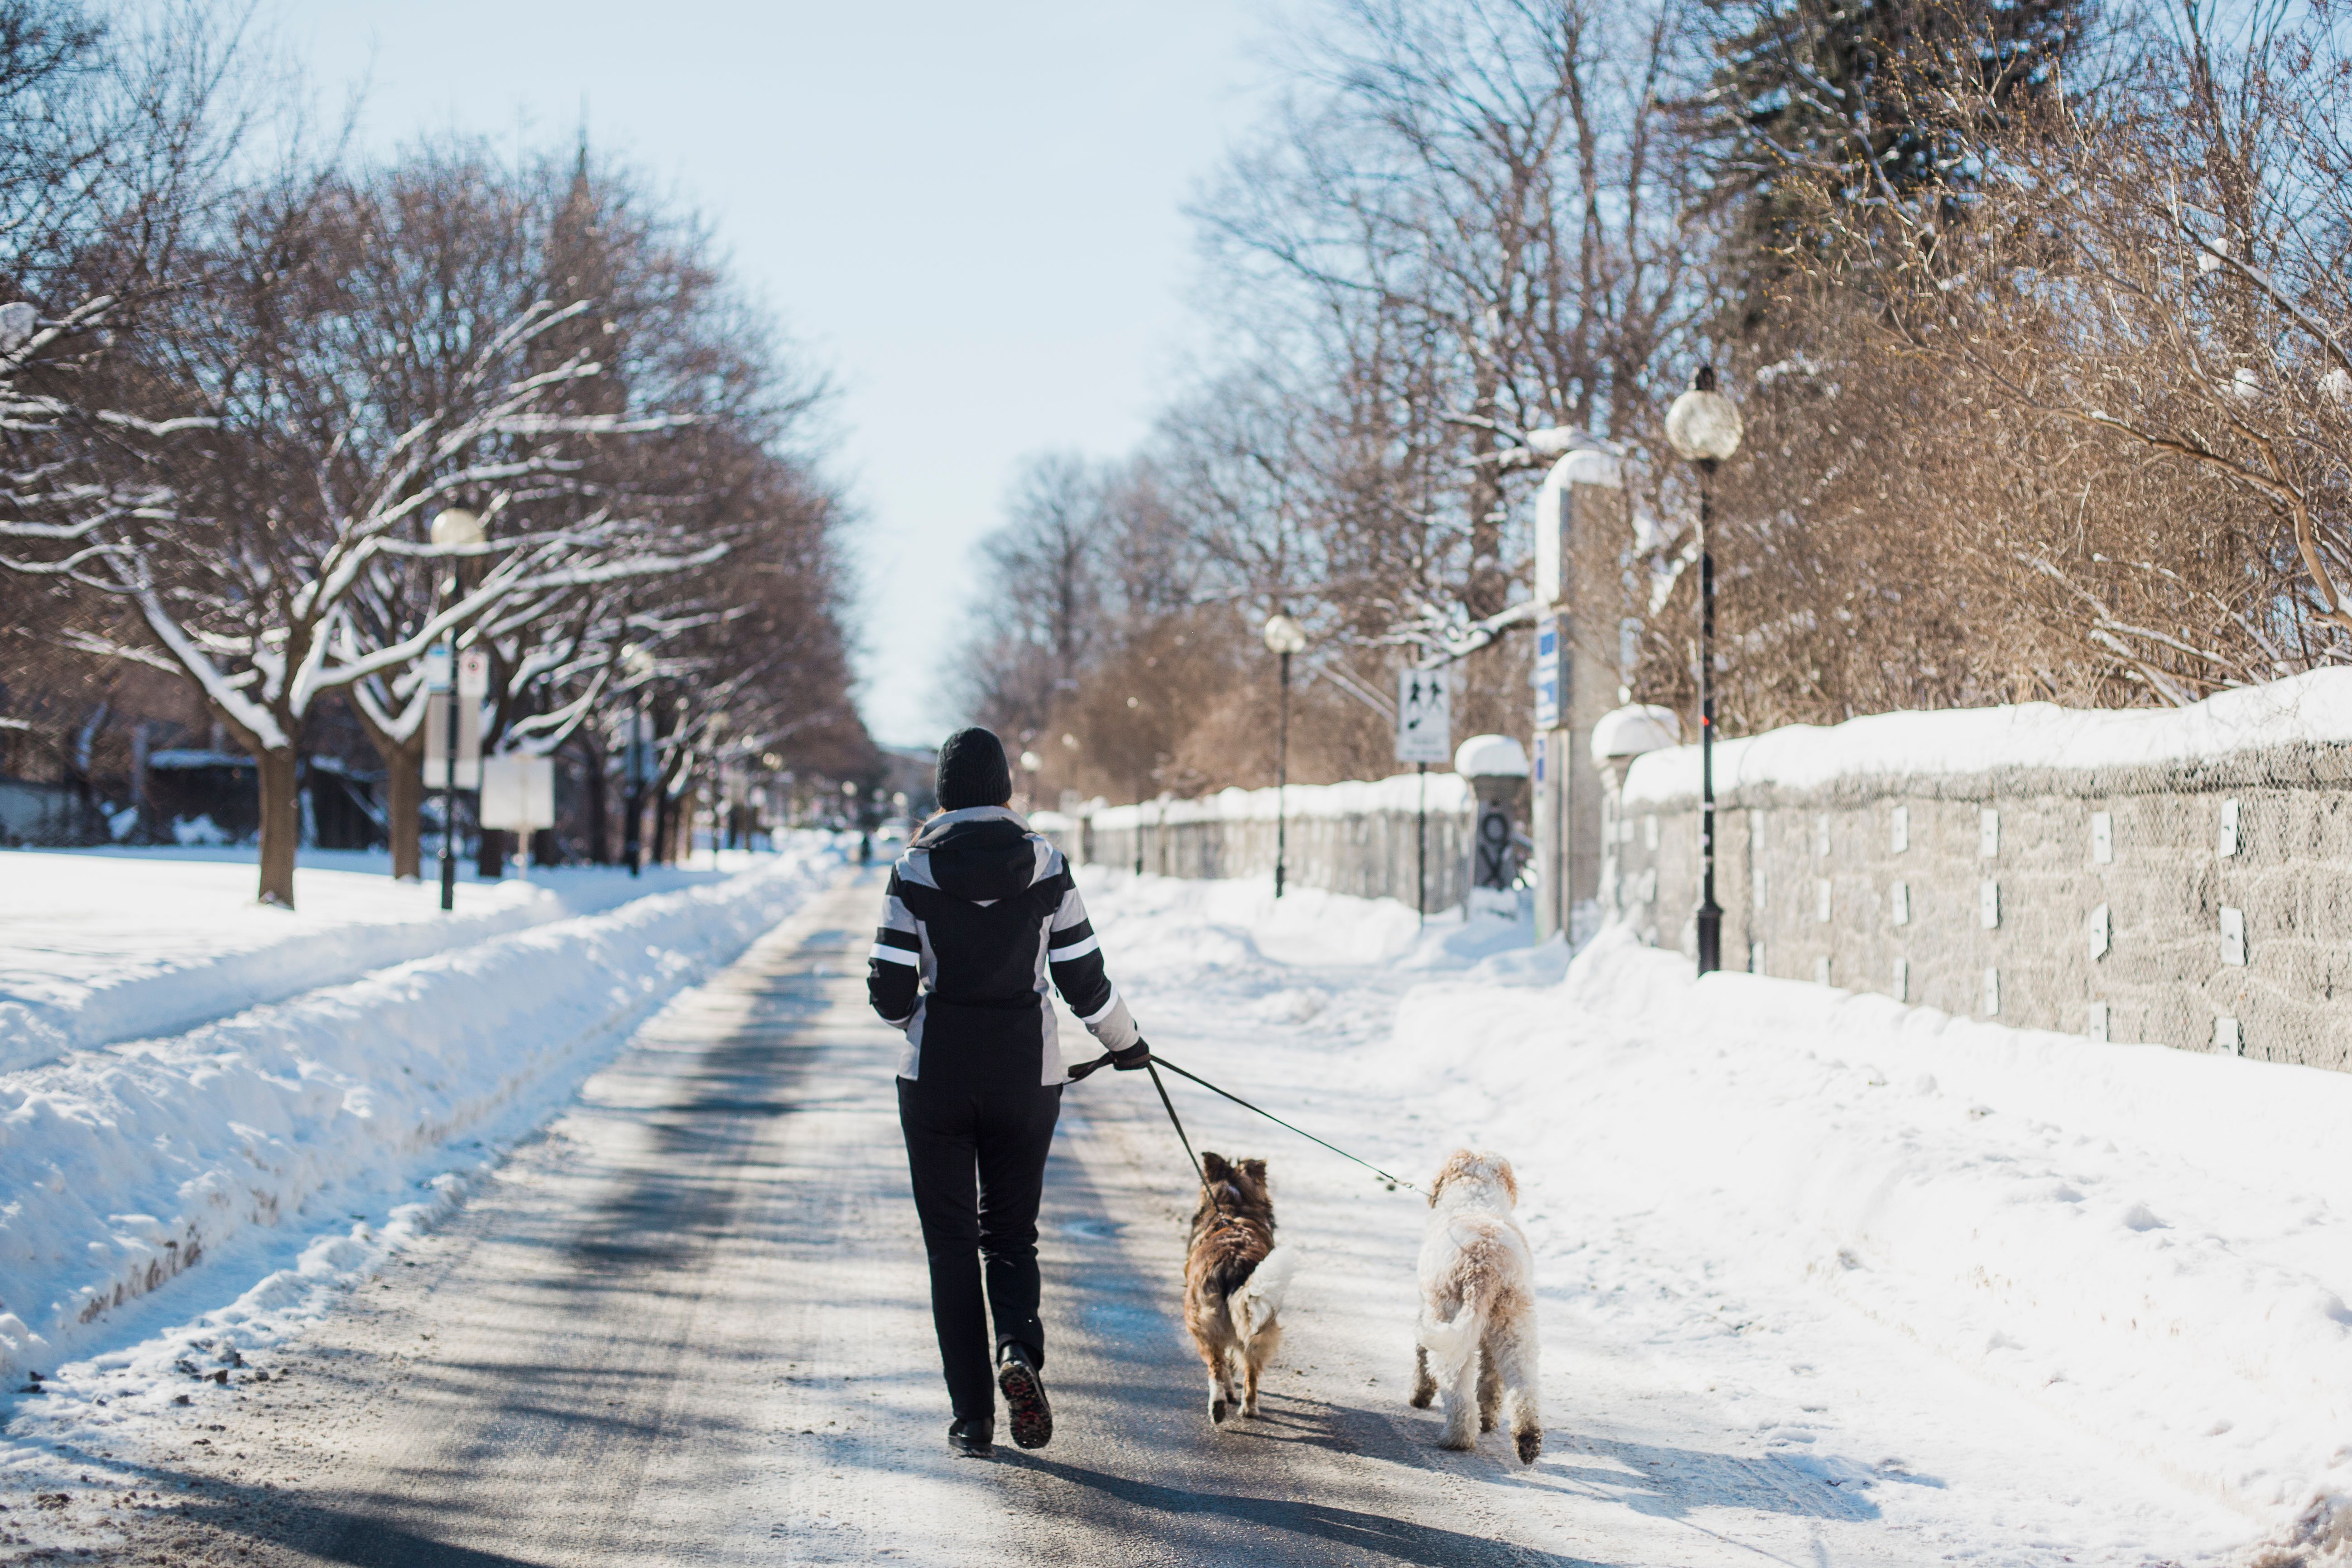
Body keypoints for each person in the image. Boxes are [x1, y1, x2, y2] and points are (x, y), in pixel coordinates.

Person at [866, 726, 1149, 1458]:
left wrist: (917, 1018)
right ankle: (1017, 1349)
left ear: (942, 794)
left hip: (937, 1081)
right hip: (1027, 1078)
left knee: (951, 1246)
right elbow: (1082, 977)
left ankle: (971, 1417)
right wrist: (1125, 1043)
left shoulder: (912, 870)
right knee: (1011, 1234)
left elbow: (889, 988)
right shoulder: (1046, 865)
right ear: (1005, 792)